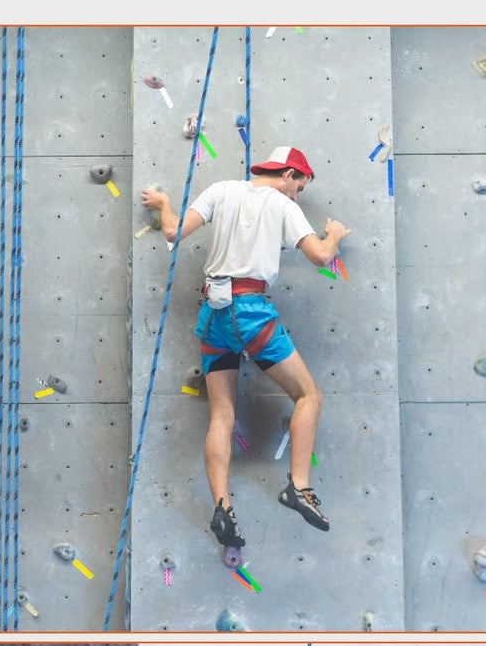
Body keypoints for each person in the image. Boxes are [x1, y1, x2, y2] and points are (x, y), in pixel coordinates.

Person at [139, 146, 350, 547]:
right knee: (308, 396)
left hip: (213, 315)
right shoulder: (282, 205)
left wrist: (165, 203)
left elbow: (172, 231)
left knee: (222, 415)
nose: (297, 195)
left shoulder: (221, 190)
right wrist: (334, 236)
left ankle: (222, 506)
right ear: (288, 174)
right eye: (299, 186)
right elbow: (321, 257)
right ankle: (299, 488)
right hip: (250, 312)